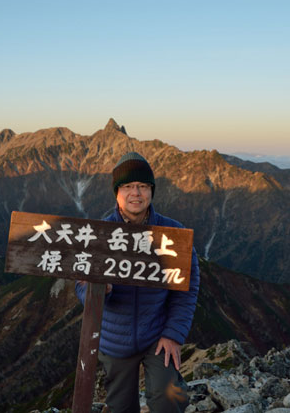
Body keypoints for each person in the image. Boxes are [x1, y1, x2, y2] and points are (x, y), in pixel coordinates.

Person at [76, 152, 200, 412]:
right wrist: (100, 291)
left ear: (151, 191)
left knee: (169, 398)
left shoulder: (172, 234)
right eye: (128, 187)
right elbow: (81, 289)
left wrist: (173, 335)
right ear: (116, 193)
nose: (136, 193)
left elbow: (186, 291)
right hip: (114, 340)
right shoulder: (98, 235)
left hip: (156, 334)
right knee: (121, 408)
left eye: (143, 186)